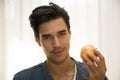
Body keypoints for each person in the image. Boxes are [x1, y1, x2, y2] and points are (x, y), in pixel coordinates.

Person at [13, 2, 108, 80]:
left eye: (61, 34)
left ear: (69, 34)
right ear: (37, 40)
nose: (56, 44)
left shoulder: (95, 75)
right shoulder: (22, 78)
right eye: (47, 37)